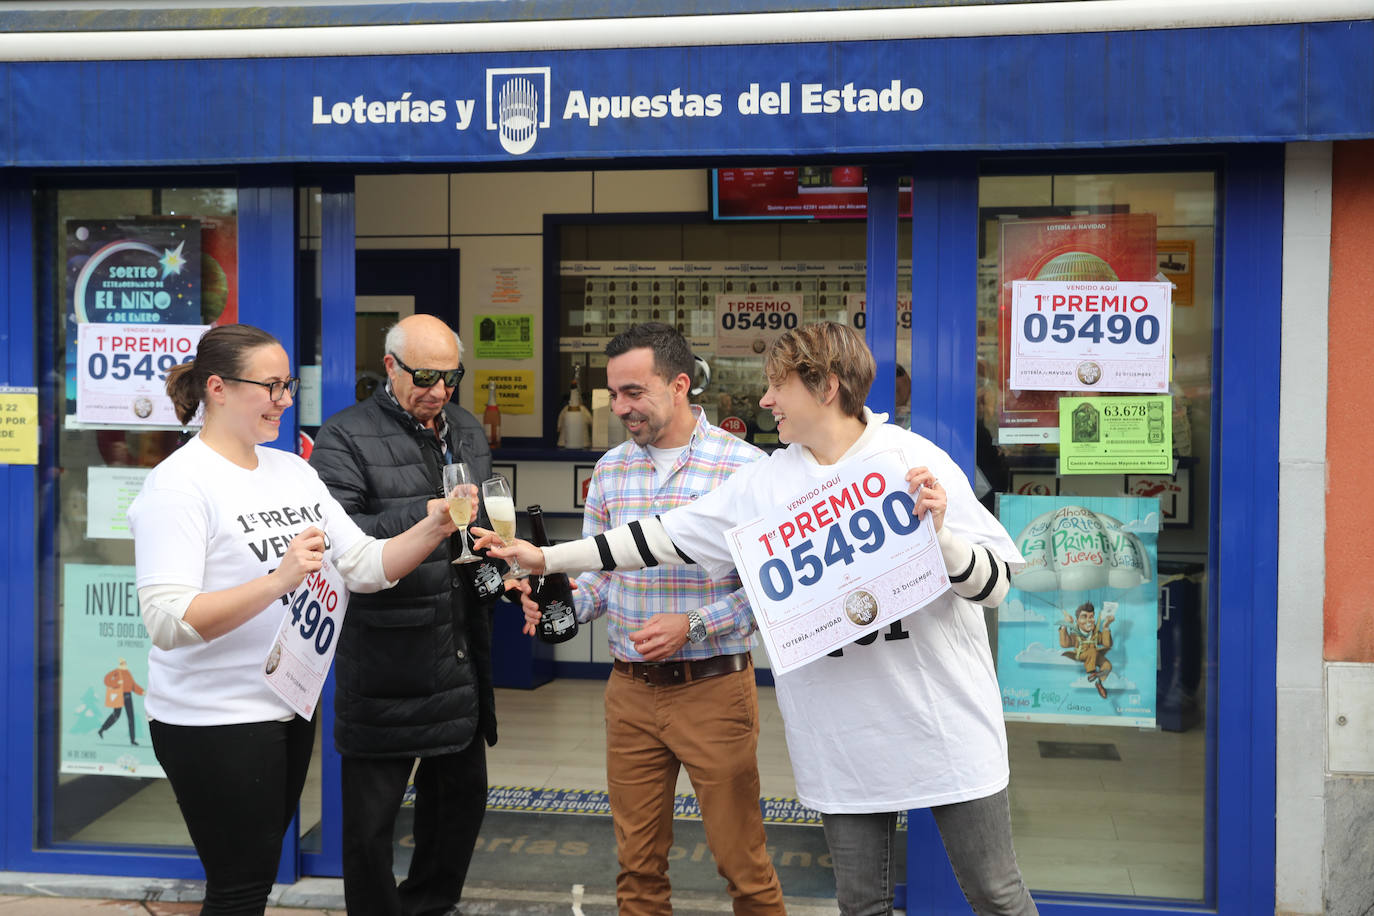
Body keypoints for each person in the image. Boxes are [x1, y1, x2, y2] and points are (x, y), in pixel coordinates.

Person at [481, 322, 1039, 916]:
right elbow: (660, 538)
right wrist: (545, 558)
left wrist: (944, 539)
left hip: (941, 721)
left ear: (824, 387)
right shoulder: (769, 481)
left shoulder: (913, 459)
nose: (765, 400)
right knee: (861, 904)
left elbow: (997, 584)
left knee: (995, 894)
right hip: (842, 735)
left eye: (778, 386)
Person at [129, 323, 459, 916]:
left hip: (287, 705)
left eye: (288, 385)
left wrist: (434, 525)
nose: (286, 399)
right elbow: (167, 621)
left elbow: (361, 565)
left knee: (253, 882)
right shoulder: (179, 485)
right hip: (213, 718)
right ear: (218, 388)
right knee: (239, 887)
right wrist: (279, 580)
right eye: (272, 386)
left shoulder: (293, 472)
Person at [570, 323, 784, 914]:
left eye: (634, 392)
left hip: (713, 690)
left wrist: (692, 625)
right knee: (637, 869)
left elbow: (770, 591)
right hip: (630, 692)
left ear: (680, 384)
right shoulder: (611, 470)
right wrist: (564, 605)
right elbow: (599, 578)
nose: (620, 408)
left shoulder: (745, 469)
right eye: (613, 394)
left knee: (743, 864)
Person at [309, 313, 502, 916]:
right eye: (424, 377)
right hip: (387, 657)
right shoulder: (343, 437)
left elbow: (480, 527)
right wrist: (426, 517)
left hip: (458, 648)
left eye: (451, 378)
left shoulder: (467, 431)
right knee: (371, 826)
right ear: (389, 366)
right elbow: (342, 540)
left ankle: (428, 907)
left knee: (460, 807)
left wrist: (504, 572)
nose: (439, 392)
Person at [1059, 601, 1115, 699]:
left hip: (1095, 656)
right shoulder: (1075, 635)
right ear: (1077, 620)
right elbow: (1064, 644)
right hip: (1081, 655)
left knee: (1107, 666)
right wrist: (1065, 625)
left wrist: (1106, 626)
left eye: (1091, 617)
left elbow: (1107, 643)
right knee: (1092, 652)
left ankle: (1099, 682)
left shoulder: (1096, 633)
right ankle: (1091, 672)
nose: (1089, 620)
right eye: (1084, 617)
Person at [96, 658, 144, 744]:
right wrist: (117, 683)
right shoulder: (116, 672)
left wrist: (142, 691)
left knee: (131, 717)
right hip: (119, 695)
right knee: (116, 715)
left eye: (124, 663)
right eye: (122, 663)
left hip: (128, 695)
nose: (124, 664)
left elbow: (133, 685)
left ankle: (132, 740)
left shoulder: (128, 673)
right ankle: (102, 729)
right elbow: (107, 680)